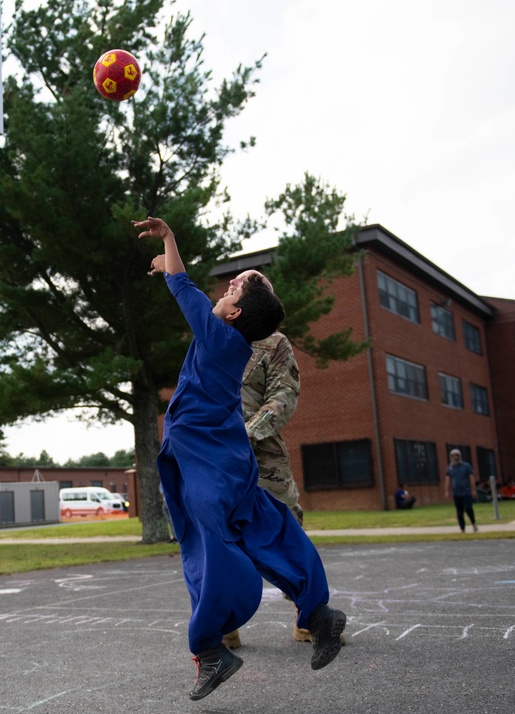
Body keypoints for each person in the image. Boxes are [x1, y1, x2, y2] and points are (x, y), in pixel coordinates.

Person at [135, 216, 345, 702]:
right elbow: (183, 281)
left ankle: (212, 648)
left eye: (233, 290)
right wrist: (168, 260)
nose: (226, 289)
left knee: (207, 546)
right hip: (228, 458)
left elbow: (182, 286)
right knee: (266, 529)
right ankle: (319, 614)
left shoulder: (217, 336)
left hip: (208, 461)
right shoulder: (233, 342)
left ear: (231, 314)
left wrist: (170, 239)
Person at [224, 325, 311, 648]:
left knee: (287, 530)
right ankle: (224, 622)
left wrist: (245, 434)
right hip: (217, 457)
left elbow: (283, 395)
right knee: (222, 538)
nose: (231, 285)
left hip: (261, 455)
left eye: (243, 282)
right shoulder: (212, 335)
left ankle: (308, 615)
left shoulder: (273, 343)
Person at [444, 449, 478, 533]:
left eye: (457, 455)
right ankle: (462, 529)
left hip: (466, 492)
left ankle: (473, 523)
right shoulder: (450, 468)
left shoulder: (466, 466)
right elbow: (448, 480)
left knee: (468, 508)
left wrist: (473, 490)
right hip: (456, 493)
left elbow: (471, 477)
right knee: (459, 511)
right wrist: (447, 491)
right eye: (453, 456)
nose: (455, 457)